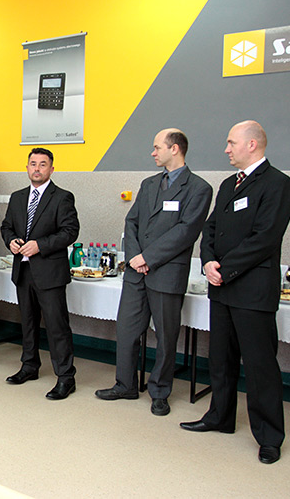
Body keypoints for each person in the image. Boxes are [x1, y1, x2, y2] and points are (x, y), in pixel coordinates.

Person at [180, 120, 290, 465]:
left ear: (252, 144)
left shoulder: (278, 184)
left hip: (252, 291)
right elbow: (211, 227)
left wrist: (224, 268)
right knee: (220, 359)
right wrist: (208, 262)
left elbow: (265, 238)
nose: (226, 149)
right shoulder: (230, 184)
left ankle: (269, 436)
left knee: (260, 366)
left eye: (231, 143)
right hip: (222, 288)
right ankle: (220, 416)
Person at [95, 129, 212, 414]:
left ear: (175, 149)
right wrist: (136, 258)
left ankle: (160, 392)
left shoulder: (199, 188)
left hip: (167, 273)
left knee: (166, 336)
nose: (153, 153)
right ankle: (125, 384)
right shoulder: (148, 184)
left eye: (157, 147)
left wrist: (148, 257)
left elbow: (186, 231)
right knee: (126, 330)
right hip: (136, 272)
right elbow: (131, 221)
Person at [0, 148, 80, 399]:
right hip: (23, 270)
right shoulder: (17, 197)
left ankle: (65, 377)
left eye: (42, 164)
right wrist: (11, 240)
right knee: (28, 322)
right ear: (27, 167)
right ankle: (29, 366)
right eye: (32, 164)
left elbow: (70, 231)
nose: (37, 168)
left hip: (50, 272)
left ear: (51, 169)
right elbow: (6, 226)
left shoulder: (62, 197)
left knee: (57, 326)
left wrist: (40, 245)